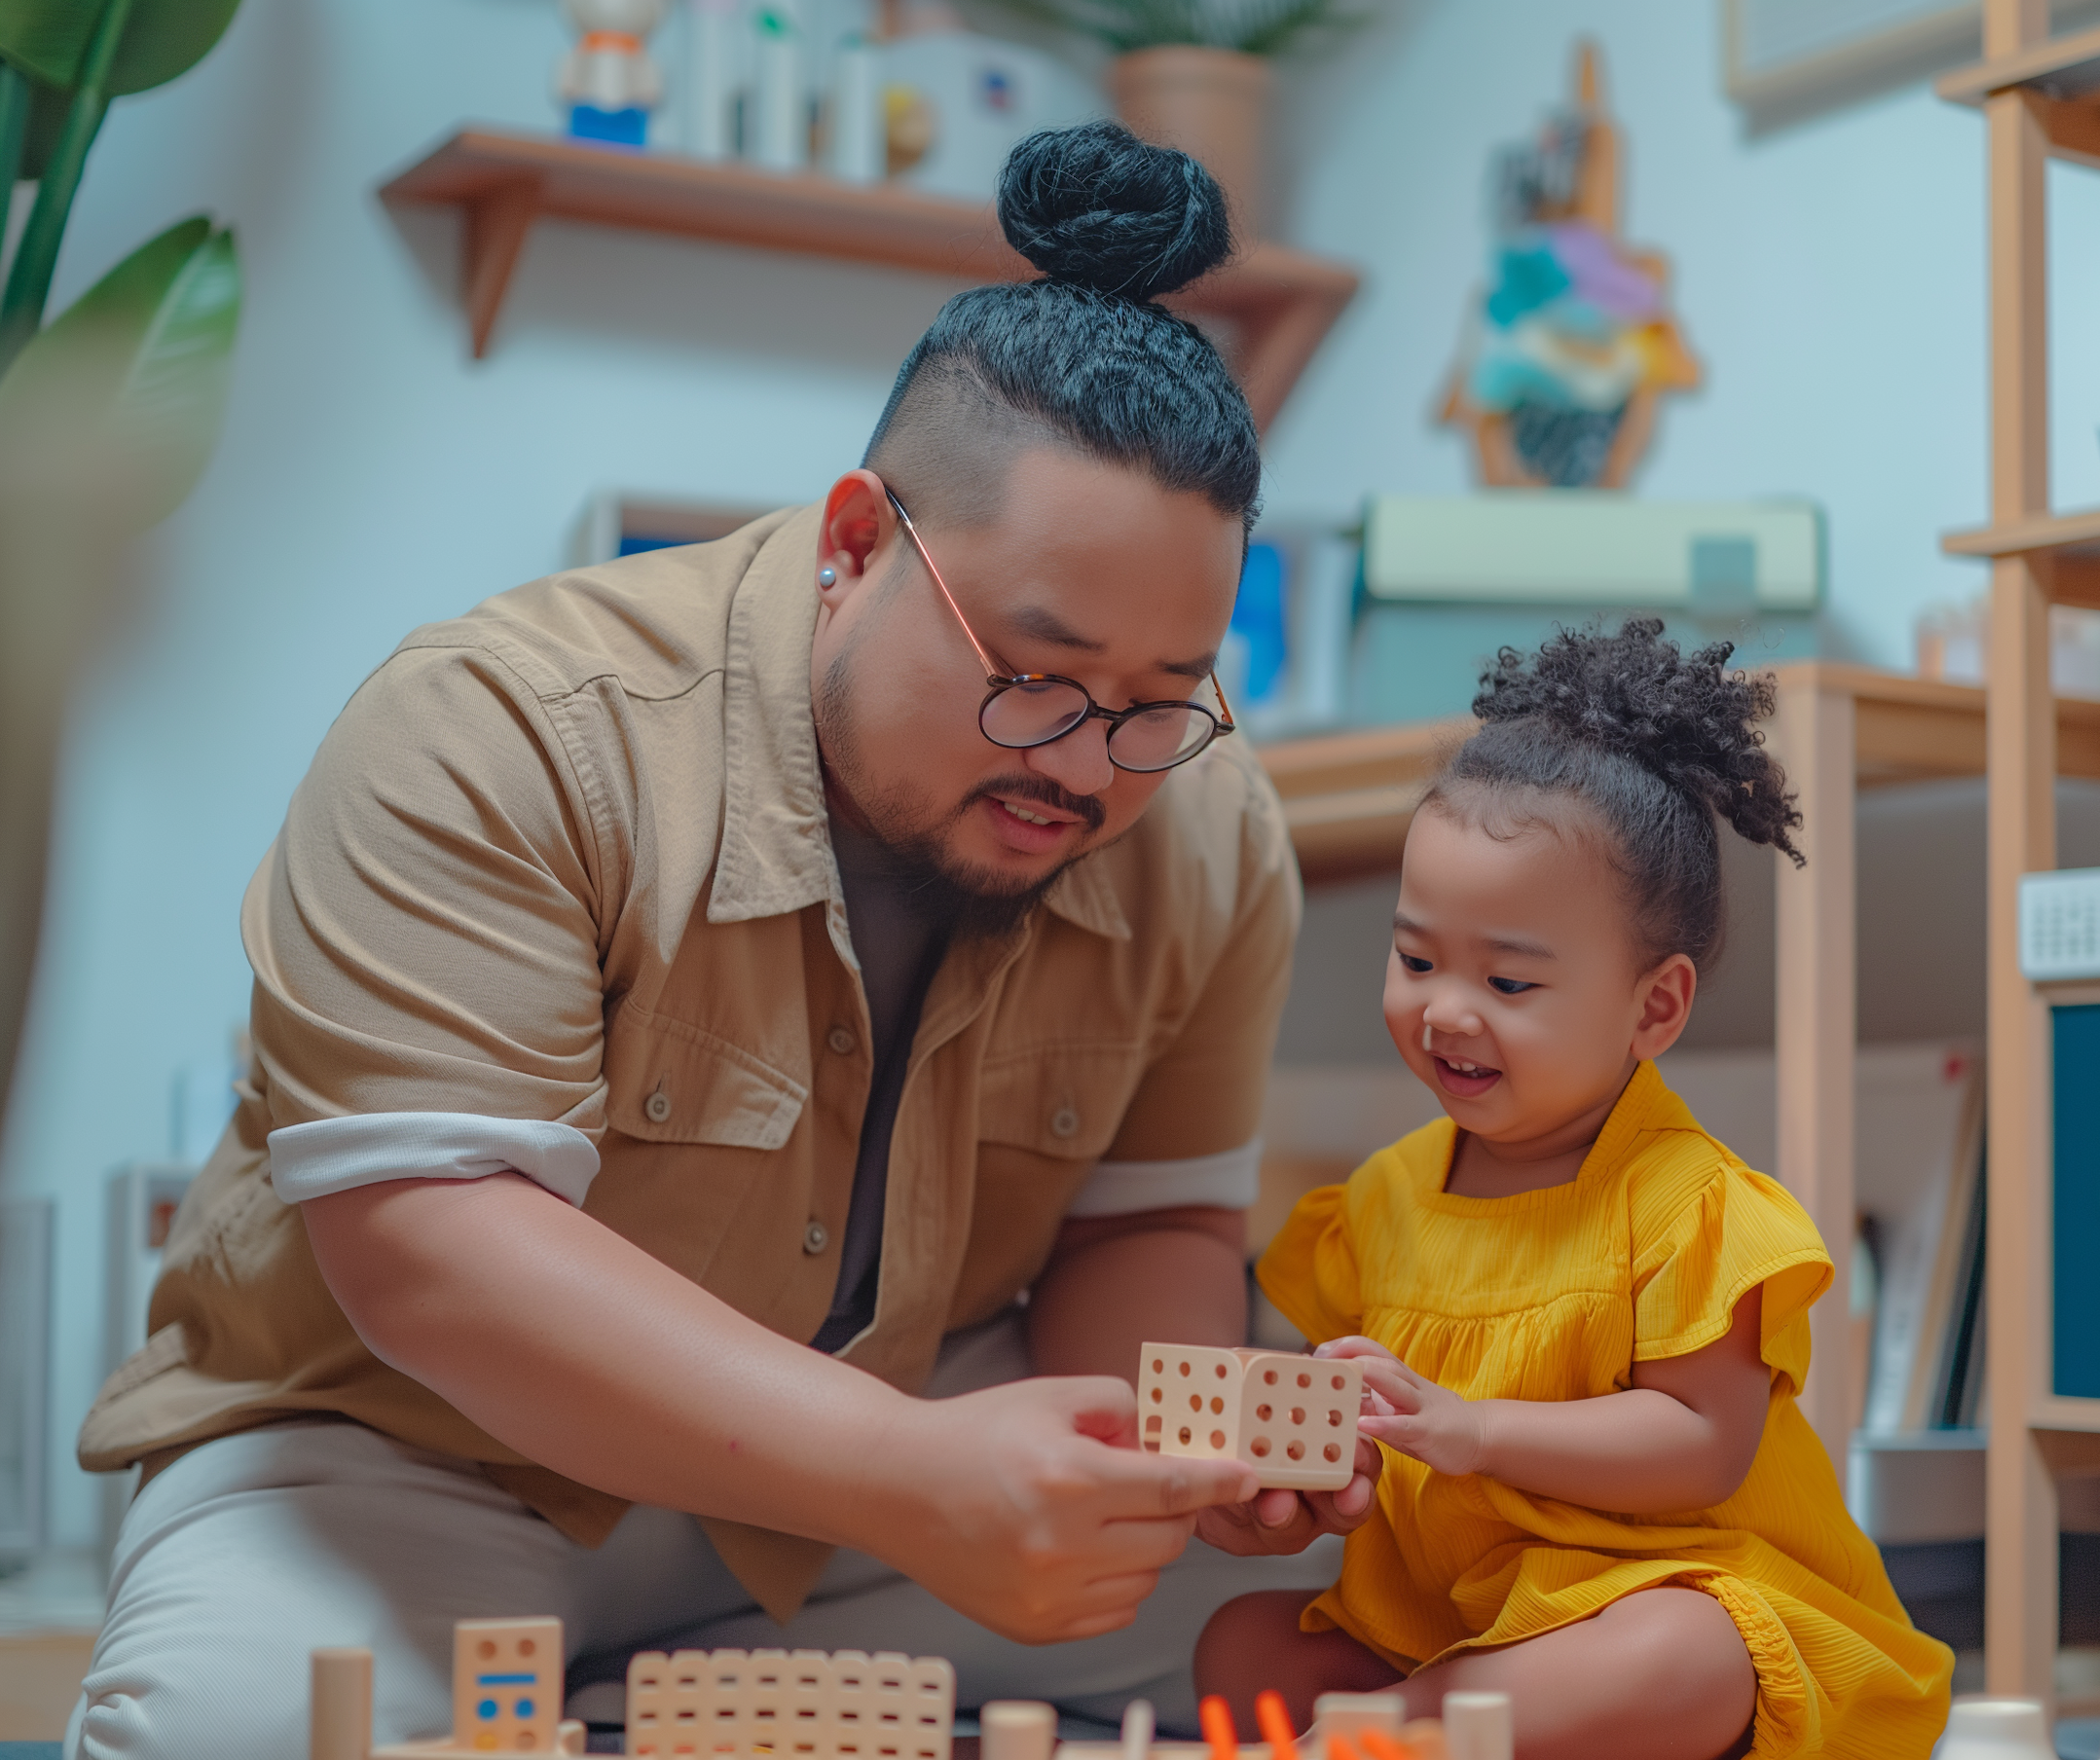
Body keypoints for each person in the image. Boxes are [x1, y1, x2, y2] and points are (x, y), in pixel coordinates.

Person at [67, 122, 1372, 1760]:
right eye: (1037, 674)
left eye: (1160, 701)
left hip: (910, 1456)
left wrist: (1173, 1455)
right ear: (853, 545)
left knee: (1376, 1620)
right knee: (241, 1730)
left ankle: (639, 1707)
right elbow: (433, 1250)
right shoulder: (505, 725)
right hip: (421, 1448)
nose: (1088, 761)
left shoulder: (1209, 824)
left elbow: (1149, 1220)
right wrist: (912, 1477)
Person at [1194, 622, 1955, 1760]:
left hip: (1653, 1595)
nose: (1447, 1009)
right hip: (1456, 1624)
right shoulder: (1384, 1200)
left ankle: (1391, 1738)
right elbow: (1364, 1417)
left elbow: (1701, 1440)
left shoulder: (1691, 1204)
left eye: (1506, 979)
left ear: (1654, 1007)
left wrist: (1471, 1428)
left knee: (1680, 1653)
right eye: (1414, 960)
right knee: (1241, 1645)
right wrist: (1301, 1455)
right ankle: (1403, 1727)